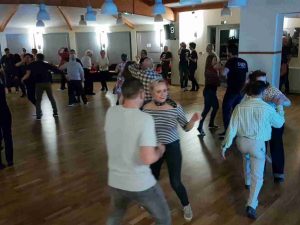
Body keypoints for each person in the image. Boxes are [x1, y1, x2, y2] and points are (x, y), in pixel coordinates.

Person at [105, 78, 172, 225]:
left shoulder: (111, 112)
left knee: (115, 216)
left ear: (123, 94)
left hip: (116, 181)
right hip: (140, 183)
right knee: (164, 218)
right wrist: (160, 150)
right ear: (142, 94)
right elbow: (147, 158)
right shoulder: (144, 119)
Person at [221, 80, 285, 219]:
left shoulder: (240, 107)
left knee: (246, 156)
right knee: (259, 176)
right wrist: (279, 106)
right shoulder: (267, 108)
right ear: (262, 93)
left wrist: (225, 146)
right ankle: (251, 204)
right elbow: (279, 123)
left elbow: (231, 128)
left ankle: (247, 181)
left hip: (241, 144)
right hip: (257, 146)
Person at [143, 78, 201, 222]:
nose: (163, 94)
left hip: (172, 146)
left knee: (175, 182)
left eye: (165, 90)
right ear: (151, 92)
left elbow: (186, 128)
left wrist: (193, 120)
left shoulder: (175, 106)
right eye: (158, 91)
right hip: (154, 147)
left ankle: (186, 205)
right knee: (152, 179)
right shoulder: (145, 108)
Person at [248, 70, 291, 183]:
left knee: (276, 145)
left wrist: (277, 101)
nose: (264, 83)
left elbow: (288, 102)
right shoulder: (250, 90)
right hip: (260, 123)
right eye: (260, 81)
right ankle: (260, 171)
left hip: (274, 121)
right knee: (261, 147)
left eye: (265, 81)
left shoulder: (271, 89)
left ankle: (278, 173)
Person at [219, 44, 248, 137]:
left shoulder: (230, 61)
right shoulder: (244, 62)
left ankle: (228, 132)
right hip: (241, 90)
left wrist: (221, 68)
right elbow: (245, 77)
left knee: (226, 110)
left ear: (230, 52)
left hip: (232, 90)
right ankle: (237, 131)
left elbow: (224, 73)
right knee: (236, 111)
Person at [22, 53, 61, 120]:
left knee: (38, 100)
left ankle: (38, 115)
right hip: (47, 83)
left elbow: (27, 73)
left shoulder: (32, 64)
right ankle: (55, 112)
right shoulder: (45, 64)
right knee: (51, 98)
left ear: (37, 57)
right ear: (43, 58)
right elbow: (55, 69)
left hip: (38, 84)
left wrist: (22, 79)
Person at [197, 54, 221, 136]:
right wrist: (218, 73)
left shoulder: (213, 69)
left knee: (214, 107)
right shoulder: (209, 69)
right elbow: (218, 82)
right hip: (208, 92)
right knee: (207, 109)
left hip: (211, 91)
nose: (216, 61)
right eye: (214, 60)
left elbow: (218, 82)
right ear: (210, 60)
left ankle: (210, 124)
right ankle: (200, 127)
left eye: (216, 59)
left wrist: (218, 72)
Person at [0, 69, 13, 169]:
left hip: (4, 110)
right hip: (4, 110)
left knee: (6, 135)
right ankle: (10, 160)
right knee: (7, 135)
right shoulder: (2, 80)